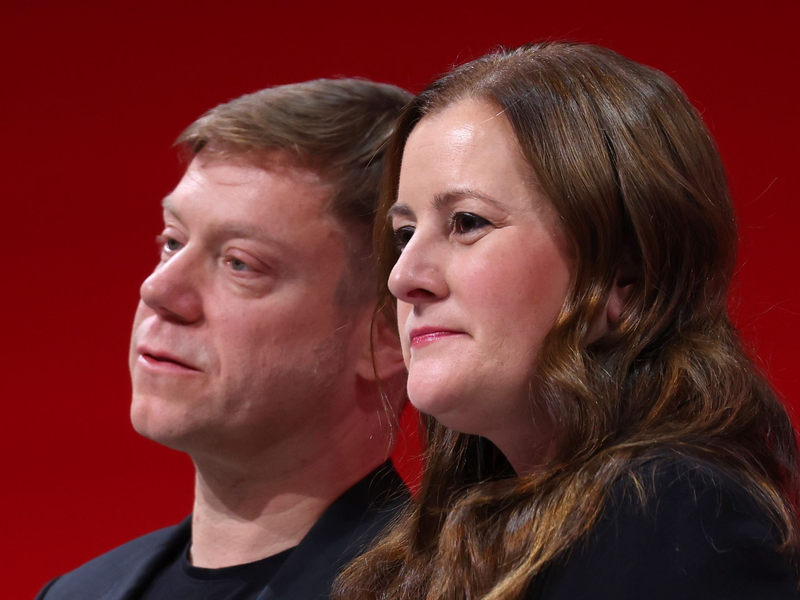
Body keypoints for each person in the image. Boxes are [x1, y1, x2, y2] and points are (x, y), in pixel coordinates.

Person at [334, 43, 800, 599]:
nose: (402, 277)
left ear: (623, 276)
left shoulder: (677, 515)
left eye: (466, 222)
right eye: (405, 233)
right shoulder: (439, 551)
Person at [36, 78, 412, 600]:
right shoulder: (74, 593)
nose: (158, 289)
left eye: (241, 263)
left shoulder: (462, 587)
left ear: (387, 336)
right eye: (172, 241)